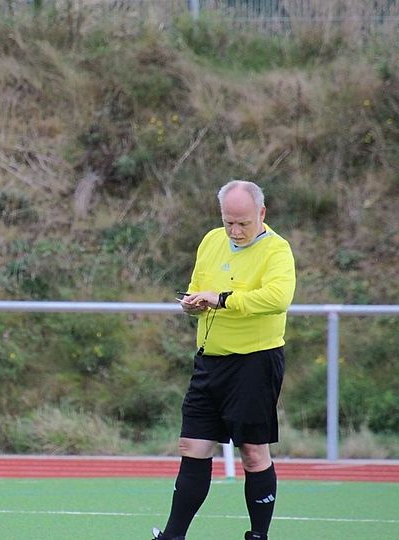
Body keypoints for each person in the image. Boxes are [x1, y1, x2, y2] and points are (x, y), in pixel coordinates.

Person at [151, 180, 295, 540]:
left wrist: (224, 299)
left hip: (255, 363)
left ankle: (258, 536)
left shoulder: (277, 250)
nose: (235, 229)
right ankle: (172, 536)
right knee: (193, 446)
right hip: (209, 362)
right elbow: (201, 289)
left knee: (252, 453)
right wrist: (192, 305)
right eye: (229, 221)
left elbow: (278, 298)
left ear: (261, 214)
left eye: (243, 222)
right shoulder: (211, 241)